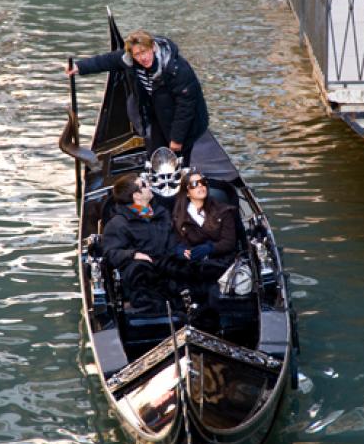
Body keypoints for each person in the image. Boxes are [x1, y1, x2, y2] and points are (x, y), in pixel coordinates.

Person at [67, 30, 209, 164]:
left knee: (179, 159)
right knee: (156, 156)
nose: (143, 58)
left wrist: (177, 139)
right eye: (137, 55)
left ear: (153, 47)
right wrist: (79, 67)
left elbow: (185, 107)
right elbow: (107, 60)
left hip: (184, 118)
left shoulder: (177, 69)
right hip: (156, 113)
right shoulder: (130, 59)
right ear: (131, 55)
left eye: (144, 52)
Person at [102, 172, 178, 314]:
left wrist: (179, 251)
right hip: (143, 276)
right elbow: (111, 253)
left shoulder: (161, 213)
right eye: (144, 185)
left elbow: (173, 238)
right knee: (139, 269)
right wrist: (134, 254)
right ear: (136, 195)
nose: (149, 185)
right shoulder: (118, 223)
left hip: (167, 265)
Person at [171, 170, 237, 277]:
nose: (201, 186)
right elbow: (177, 243)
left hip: (221, 265)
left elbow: (229, 242)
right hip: (194, 268)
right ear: (187, 192)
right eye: (194, 184)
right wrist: (182, 251)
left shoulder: (223, 211)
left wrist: (209, 248)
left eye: (203, 182)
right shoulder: (179, 217)